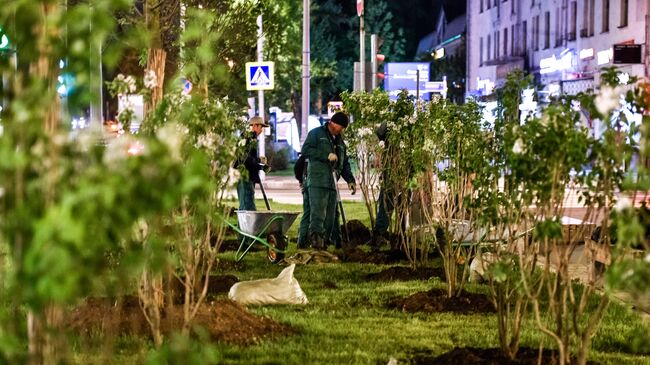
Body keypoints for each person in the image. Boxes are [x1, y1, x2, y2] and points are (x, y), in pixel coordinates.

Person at [301, 112, 356, 250]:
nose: (341, 130)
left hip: (332, 183)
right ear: (333, 123)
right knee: (318, 215)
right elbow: (306, 150)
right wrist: (326, 155)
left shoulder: (340, 141)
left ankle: (324, 242)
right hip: (318, 181)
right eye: (341, 127)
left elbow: (344, 163)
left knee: (330, 217)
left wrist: (350, 180)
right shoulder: (316, 134)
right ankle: (316, 243)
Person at [236, 116, 270, 211]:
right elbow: (245, 159)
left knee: (245, 205)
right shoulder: (248, 137)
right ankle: (246, 226)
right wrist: (260, 163)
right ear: (255, 126)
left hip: (246, 175)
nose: (262, 130)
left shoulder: (248, 137)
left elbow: (249, 158)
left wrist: (259, 162)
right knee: (247, 207)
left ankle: (244, 225)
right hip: (245, 176)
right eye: (261, 127)